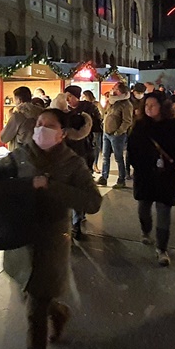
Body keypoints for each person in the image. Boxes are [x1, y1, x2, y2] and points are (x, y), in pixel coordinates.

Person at [0, 108, 101, 349]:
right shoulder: (22, 154)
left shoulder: (73, 164)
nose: (42, 129)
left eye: (49, 126)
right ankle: (57, 311)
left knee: (34, 308)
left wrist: (52, 187)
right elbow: (1, 167)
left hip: (51, 243)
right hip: (22, 238)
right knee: (30, 293)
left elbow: (93, 202)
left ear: (62, 134)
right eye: (39, 124)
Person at [127, 93, 175, 266]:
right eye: (146, 104)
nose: (148, 108)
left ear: (163, 106)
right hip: (145, 174)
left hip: (167, 174)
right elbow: (132, 149)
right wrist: (138, 166)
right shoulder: (140, 126)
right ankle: (145, 230)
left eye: (153, 105)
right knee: (144, 207)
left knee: (164, 210)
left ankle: (162, 248)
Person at [61, 86, 96, 239]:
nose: (68, 99)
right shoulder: (61, 113)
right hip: (65, 157)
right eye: (66, 96)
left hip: (81, 154)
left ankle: (76, 223)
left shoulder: (85, 111)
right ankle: (71, 222)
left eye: (70, 96)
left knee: (78, 189)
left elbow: (93, 129)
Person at [98, 82, 133, 188]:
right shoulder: (112, 102)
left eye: (115, 89)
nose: (113, 90)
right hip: (106, 133)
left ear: (121, 92)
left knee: (118, 158)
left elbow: (127, 121)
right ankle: (104, 177)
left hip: (116, 135)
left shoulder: (126, 104)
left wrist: (118, 132)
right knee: (105, 157)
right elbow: (105, 113)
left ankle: (121, 180)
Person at [0, 85, 43, 149]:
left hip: (21, 152)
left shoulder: (18, 115)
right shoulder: (41, 113)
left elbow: (3, 138)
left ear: (19, 100)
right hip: (37, 151)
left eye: (15, 99)